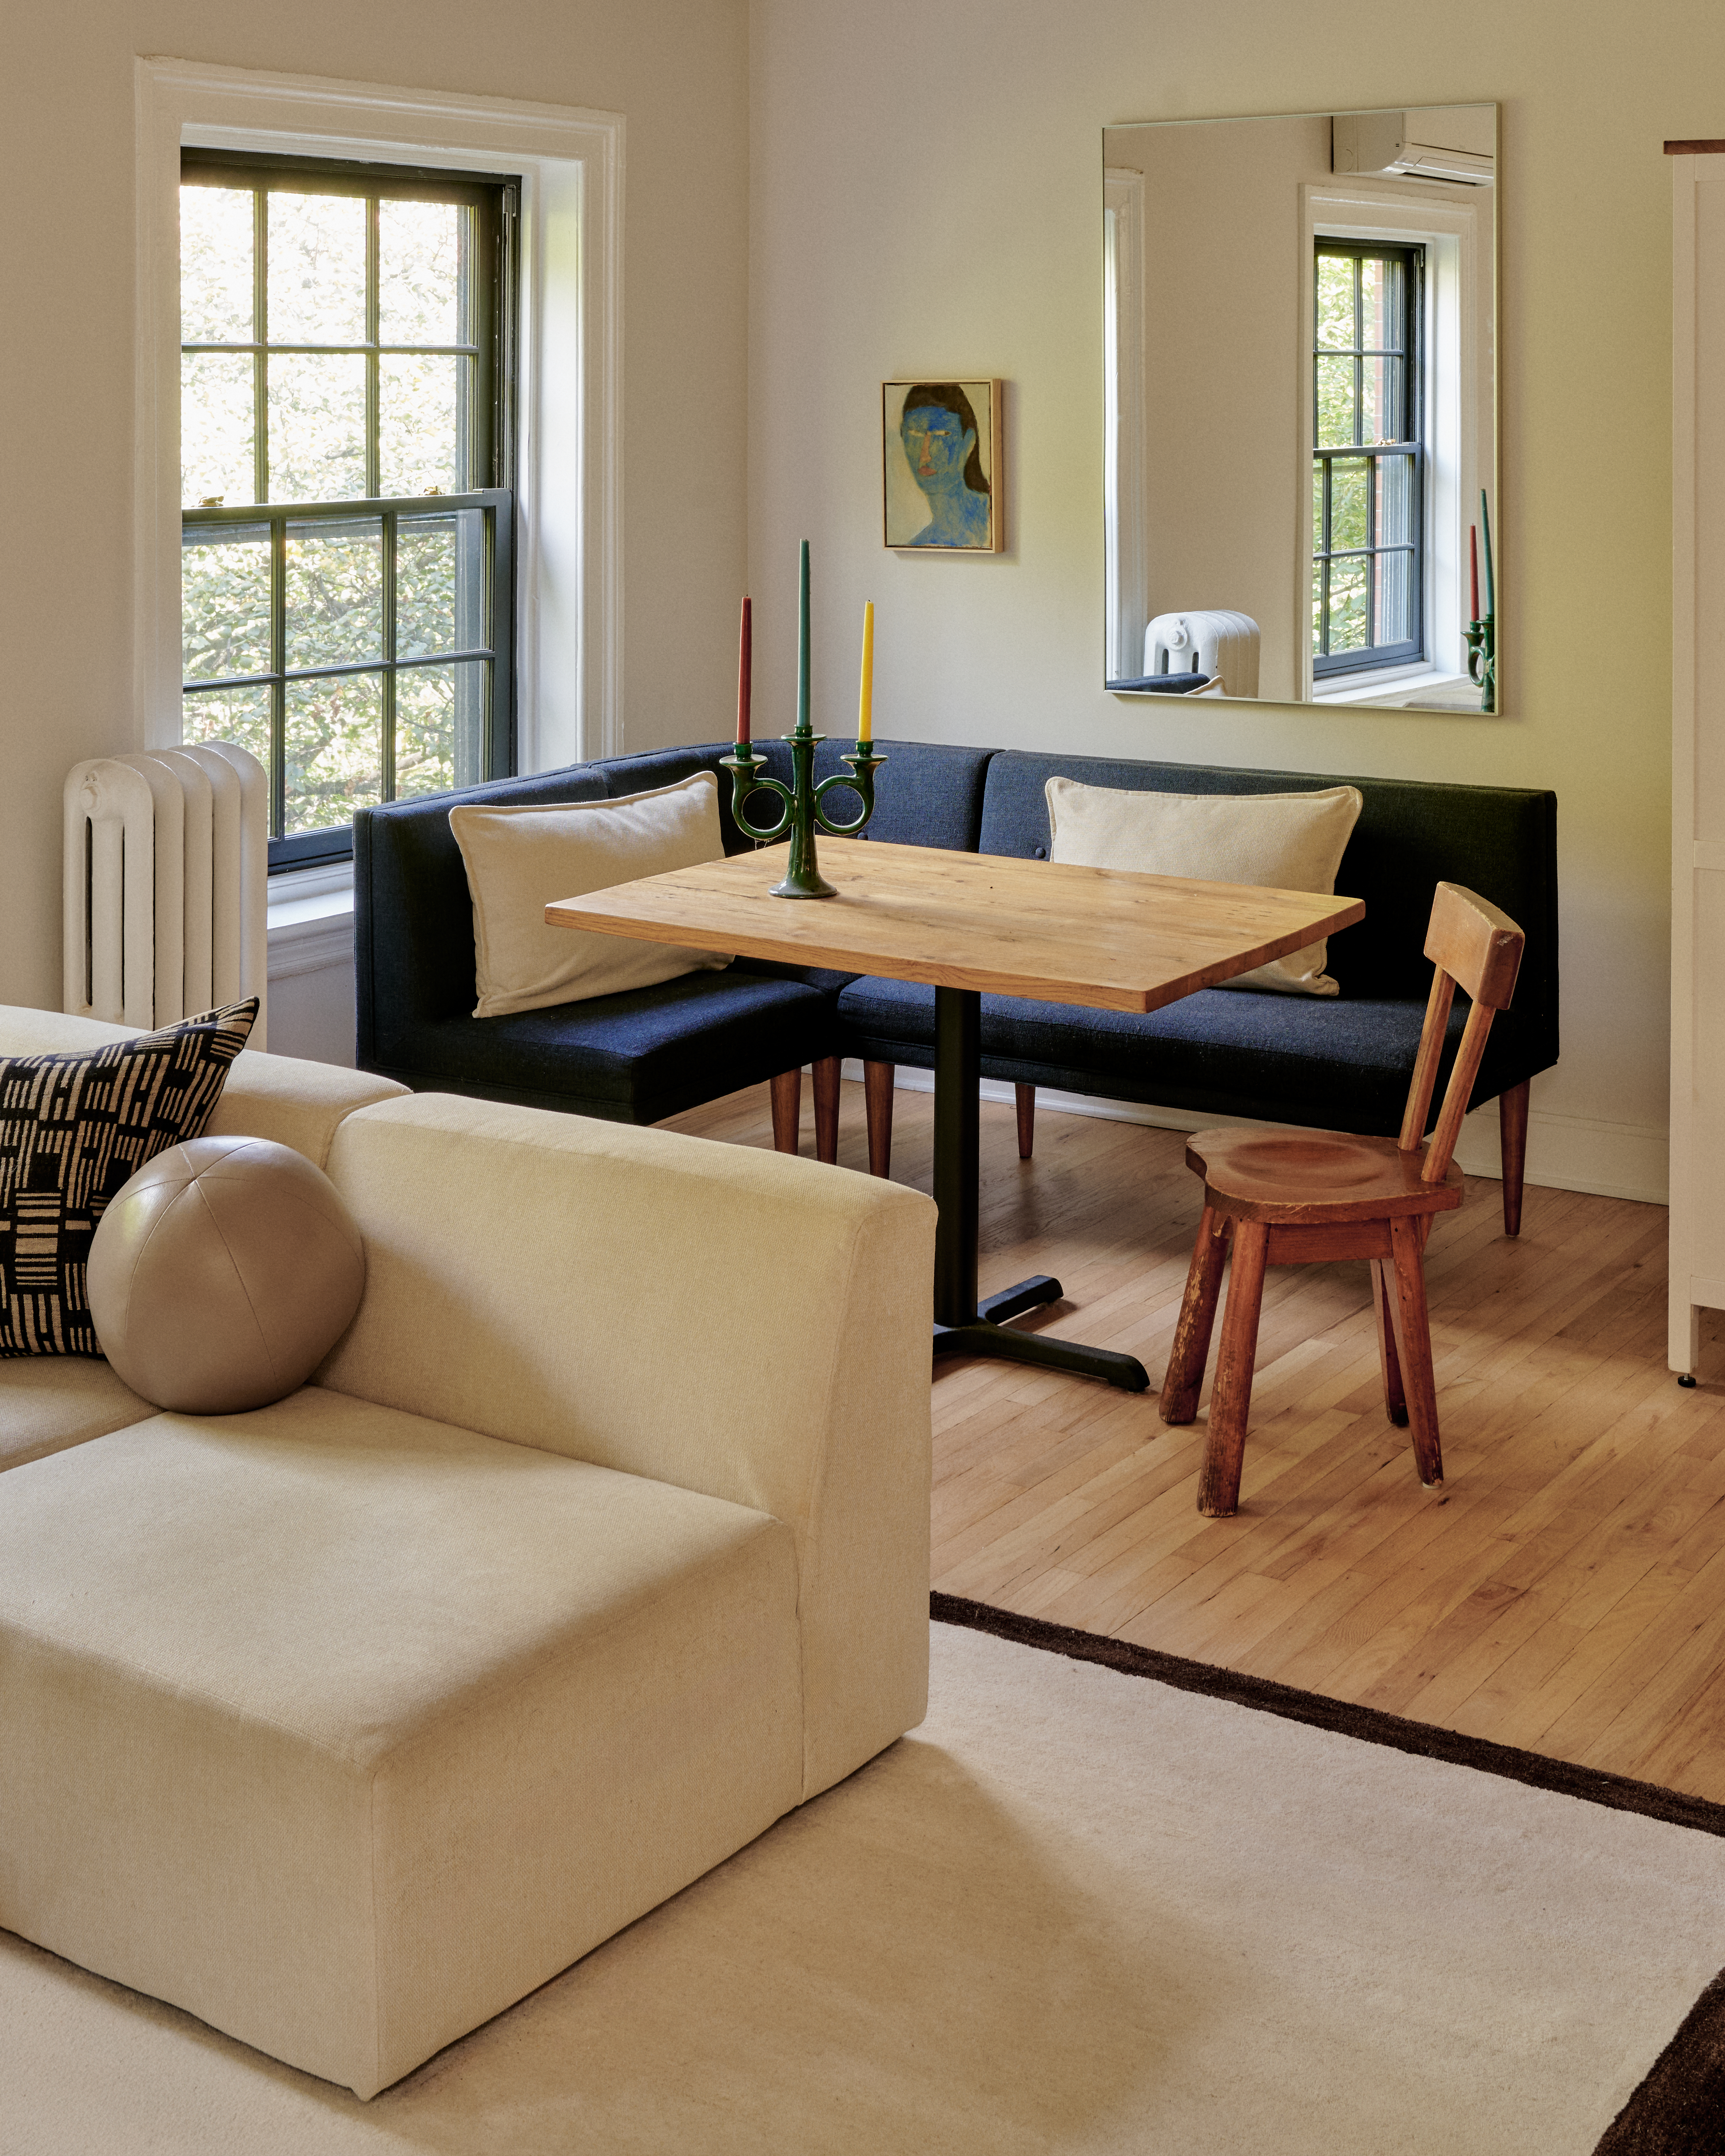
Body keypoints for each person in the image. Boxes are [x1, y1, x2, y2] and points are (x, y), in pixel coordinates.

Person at [898, 383, 991, 547]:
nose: (925, 455)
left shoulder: (994, 517)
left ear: (969, 443)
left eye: (942, 435)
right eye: (915, 434)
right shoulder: (920, 546)